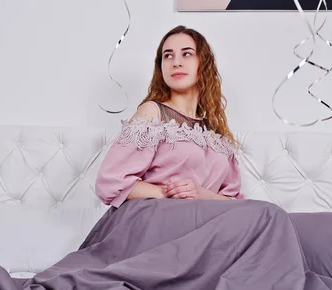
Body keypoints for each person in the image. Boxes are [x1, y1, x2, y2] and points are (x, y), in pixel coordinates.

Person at [95, 25, 245, 208]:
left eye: (187, 54)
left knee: (270, 214)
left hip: (206, 222)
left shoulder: (214, 131)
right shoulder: (152, 113)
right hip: (159, 217)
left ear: (203, 62)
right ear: (161, 67)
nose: (176, 62)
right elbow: (110, 181)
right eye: (168, 55)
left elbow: (235, 203)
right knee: (269, 215)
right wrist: (169, 193)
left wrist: (201, 194)